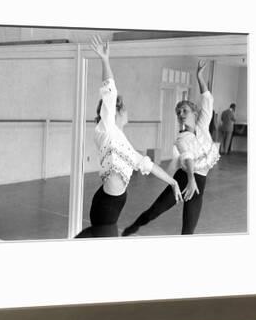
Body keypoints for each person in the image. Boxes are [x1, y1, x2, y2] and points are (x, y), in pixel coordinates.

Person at [76, 36, 182, 238]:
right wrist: (105, 60)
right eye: (124, 108)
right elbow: (109, 92)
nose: (128, 111)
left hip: (109, 203)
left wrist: (172, 182)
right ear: (116, 112)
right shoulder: (106, 128)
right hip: (107, 205)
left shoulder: (121, 140)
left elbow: (146, 164)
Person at [122, 60, 220, 236]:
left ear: (194, 113)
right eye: (178, 113)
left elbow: (207, 100)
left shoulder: (203, 126)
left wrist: (199, 77)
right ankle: (135, 225)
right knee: (155, 211)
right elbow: (188, 158)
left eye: (184, 111)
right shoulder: (181, 138)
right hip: (185, 178)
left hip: (199, 184)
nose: (181, 115)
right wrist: (190, 180)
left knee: (188, 230)